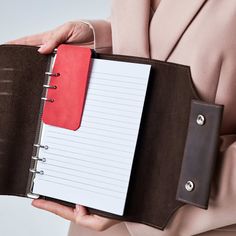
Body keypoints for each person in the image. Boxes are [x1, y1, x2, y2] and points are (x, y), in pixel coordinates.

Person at [8, 0, 236, 235]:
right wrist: (102, 41)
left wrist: (148, 201)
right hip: (99, 210)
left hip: (200, 217)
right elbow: (170, 35)